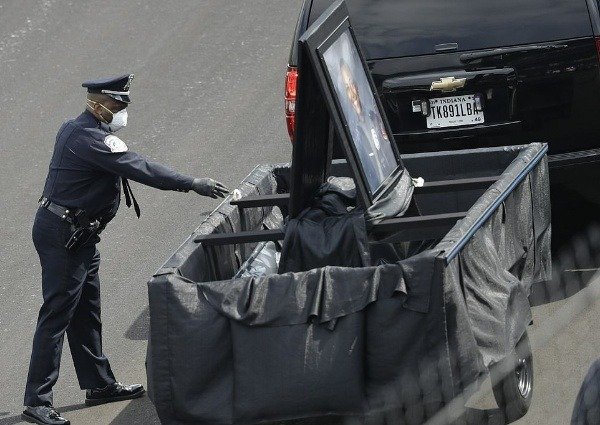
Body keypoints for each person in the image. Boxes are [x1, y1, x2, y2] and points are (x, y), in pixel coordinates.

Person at [22, 74, 229, 425]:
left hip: (80, 236)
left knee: (86, 311)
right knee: (57, 314)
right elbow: (141, 167)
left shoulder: (83, 131)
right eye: (118, 105)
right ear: (98, 104)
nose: (122, 113)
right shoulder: (89, 139)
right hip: (63, 235)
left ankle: (99, 384)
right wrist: (192, 183)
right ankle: (36, 402)